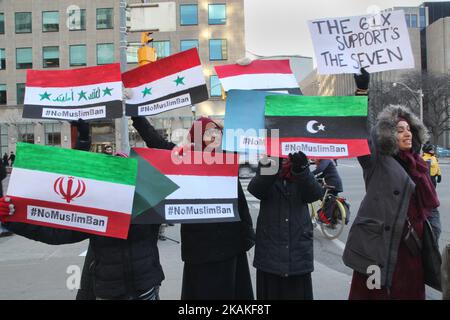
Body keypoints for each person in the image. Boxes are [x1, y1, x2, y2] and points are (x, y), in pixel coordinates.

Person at [0, 120, 165, 300]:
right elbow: (56, 232)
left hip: (146, 288)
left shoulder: (148, 205)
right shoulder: (95, 211)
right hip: (110, 291)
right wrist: (13, 218)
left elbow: (163, 152)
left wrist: (138, 117)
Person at [131, 116, 255, 300]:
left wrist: (247, 235)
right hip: (202, 250)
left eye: (217, 133)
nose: (215, 138)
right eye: (209, 133)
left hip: (229, 247)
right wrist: (138, 117)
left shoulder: (223, 161)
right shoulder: (183, 157)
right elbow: (156, 142)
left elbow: (240, 202)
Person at [343, 70, 440, 299]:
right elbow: (360, 132)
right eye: (399, 130)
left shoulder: (420, 165)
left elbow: (430, 208)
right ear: (388, 135)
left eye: (409, 129)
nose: (406, 133)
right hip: (379, 251)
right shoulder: (377, 161)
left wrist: (432, 235)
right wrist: (362, 92)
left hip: (412, 253)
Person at [247, 152, 323, 300]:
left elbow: (314, 194)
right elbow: (256, 189)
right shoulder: (269, 160)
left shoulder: (300, 162)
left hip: (298, 252)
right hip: (270, 252)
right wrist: (272, 166)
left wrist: (301, 170)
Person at [422, 143, 442, 242]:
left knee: (433, 191)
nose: (432, 151)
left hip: (433, 178)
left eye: (432, 149)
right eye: (430, 150)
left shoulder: (433, 157)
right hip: (427, 178)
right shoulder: (424, 158)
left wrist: (439, 174)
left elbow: (437, 167)